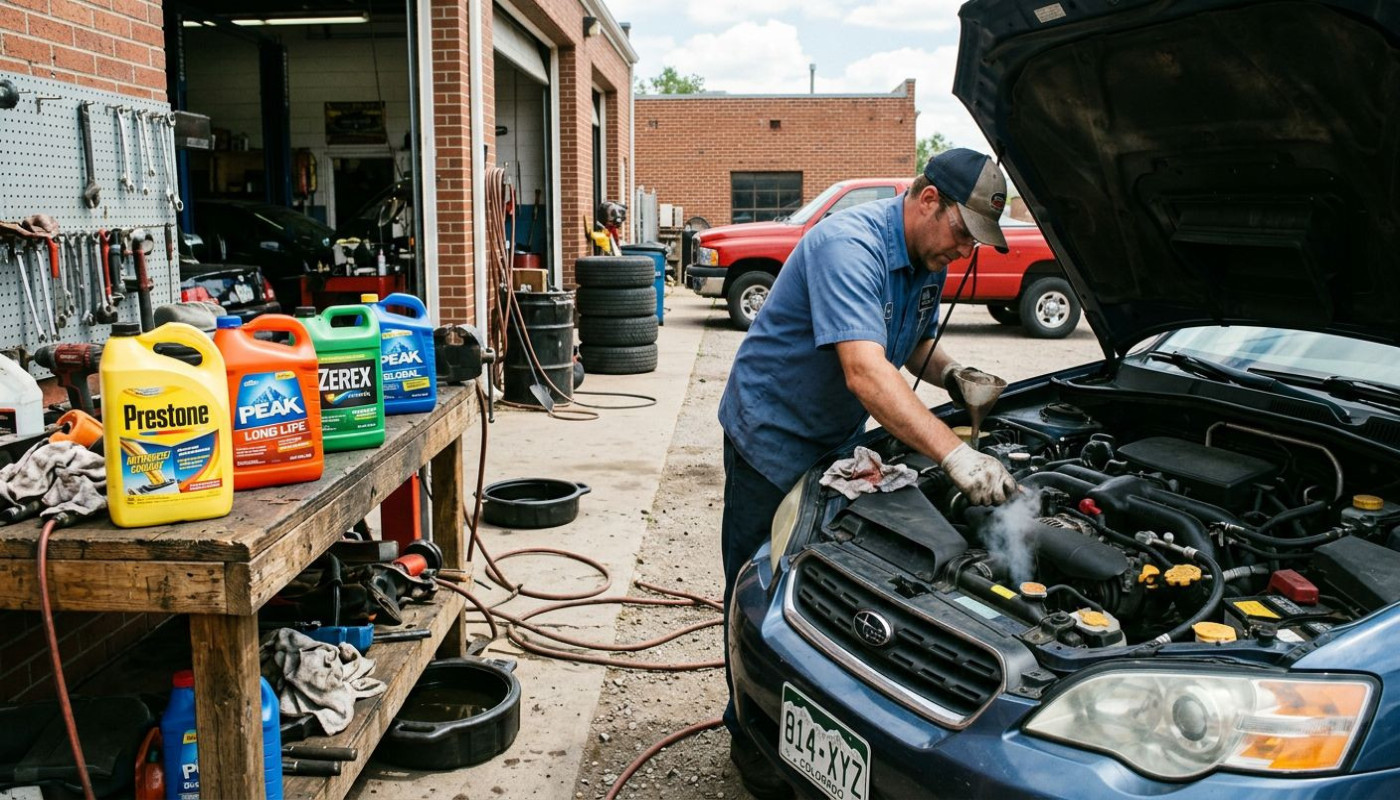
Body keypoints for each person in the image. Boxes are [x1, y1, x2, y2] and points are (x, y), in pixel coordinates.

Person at [716, 148, 1019, 798]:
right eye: (963, 234)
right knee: (757, 584)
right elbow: (866, 369)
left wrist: (954, 373)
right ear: (928, 198)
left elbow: (909, 341)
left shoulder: (928, 259)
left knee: (824, 587)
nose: (963, 253)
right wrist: (955, 454)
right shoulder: (847, 245)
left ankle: (824, 721)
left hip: (835, 440)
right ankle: (750, 738)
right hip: (771, 434)